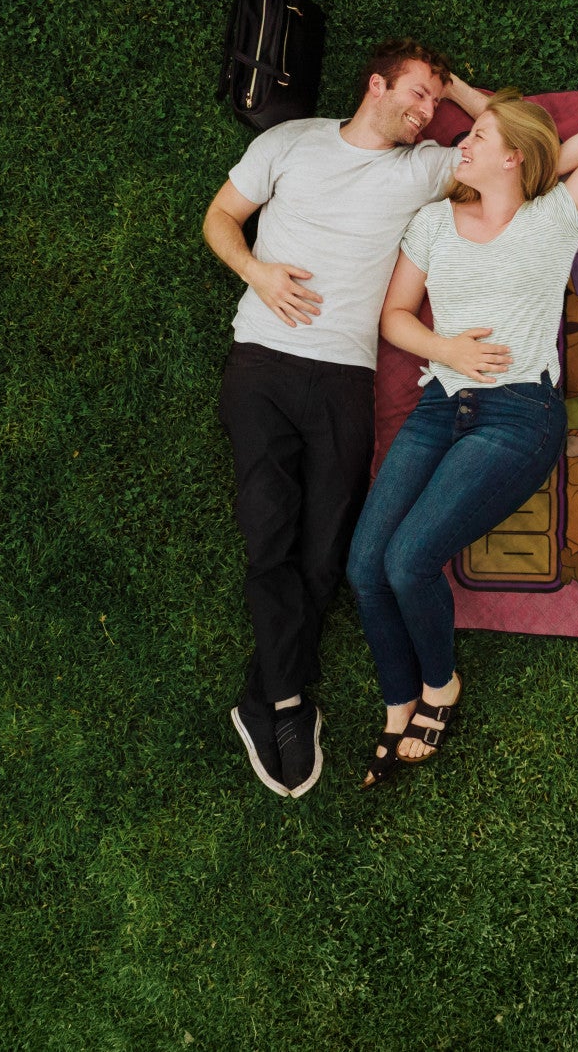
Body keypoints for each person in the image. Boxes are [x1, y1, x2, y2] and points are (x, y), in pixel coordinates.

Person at [201, 39, 492, 799]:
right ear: (375, 84)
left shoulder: (423, 168)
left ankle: (264, 695)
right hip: (262, 363)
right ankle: (287, 704)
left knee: (326, 551)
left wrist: (461, 88)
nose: (428, 113)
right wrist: (257, 271)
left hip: (343, 379)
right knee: (270, 533)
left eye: (436, 102)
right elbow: (221, 216)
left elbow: (519, 141)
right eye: (419, 93)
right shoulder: (289, 142)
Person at [345, 91, 578, 790]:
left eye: (479, 137)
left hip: (518, 417)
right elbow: (395, 315)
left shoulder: (554, 215)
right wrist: (447, 347)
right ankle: (397, 700)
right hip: (439, 406)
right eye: (468, 134)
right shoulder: (433, 223)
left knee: (409, 560)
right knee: (364, 566)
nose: (463, 143)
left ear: (514, 156)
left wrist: (521, 154)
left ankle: (440, 686)